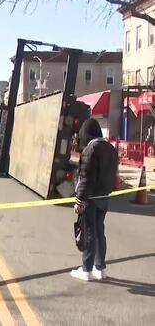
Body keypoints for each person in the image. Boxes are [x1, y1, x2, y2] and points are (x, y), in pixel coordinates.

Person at [71, 118, 118, 281]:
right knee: (99, 232)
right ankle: (100, 268)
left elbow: (85, 178)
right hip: (104, 197)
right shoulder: (111, 149)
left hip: (90, 197)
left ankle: (86, 269)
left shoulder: (90, 149)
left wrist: (79, 200)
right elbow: (114, 176)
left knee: (89, 232)